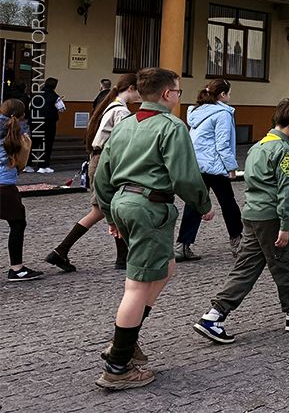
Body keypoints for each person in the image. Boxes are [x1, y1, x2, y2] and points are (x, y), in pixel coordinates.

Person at [93, 68, 214, 389]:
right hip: (150, 207)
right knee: (136, 286)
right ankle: (118, 365)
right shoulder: (172, 127)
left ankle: (126, 340)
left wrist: (109, 215)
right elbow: (185, 176)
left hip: (124, 202)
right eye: (178, 91)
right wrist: (203, 205)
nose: (179, 97)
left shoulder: (125, 125)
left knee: (166, 269)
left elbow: (102, 176)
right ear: (166, 94)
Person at [193, 99, 289, 343]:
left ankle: (214, 315)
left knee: (246, 268)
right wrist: (286, 226)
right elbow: (286, 192)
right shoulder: (283, 151)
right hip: (271, 217)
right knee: (285, 266)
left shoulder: (257, 146)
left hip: (252, 215)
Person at [45, 73, 139, 273]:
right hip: (107, 162)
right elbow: (123, 144)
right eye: (139, 90)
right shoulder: (121, 111)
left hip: (99, 160)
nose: (141, 95)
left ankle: (62, 250)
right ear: (130, 88)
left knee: (102, 210)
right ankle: (122, 258)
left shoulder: (110, 105)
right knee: (114, 209)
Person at [176, 79, 242, 262]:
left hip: (198, 165)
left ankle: (182, 245)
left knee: (195, 203)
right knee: (229, 204)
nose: (230, 96)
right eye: (229, 92)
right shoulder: (223, 114)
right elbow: (223, 145)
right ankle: (238, 243)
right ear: (222, 95)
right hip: (214, 165)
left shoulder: (197, 112)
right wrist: (231, 167)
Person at [1, 99, 41, 281]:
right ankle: (16, 268)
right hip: (5, 185)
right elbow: (22, 162)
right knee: (17, 223)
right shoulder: (19, 132)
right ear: (22, 115)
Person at [29, 76, 62, 173]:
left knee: (34, 143)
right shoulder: (55, 97)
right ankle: (43, 166)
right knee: (46, 144)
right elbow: (62, 108)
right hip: (48, 123)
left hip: (35, 122)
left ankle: (28, 165)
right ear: (54, 86)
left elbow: (30, 107)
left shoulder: (36, 95)